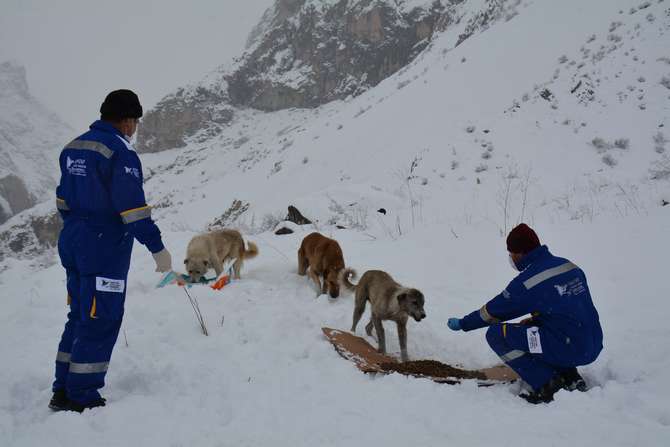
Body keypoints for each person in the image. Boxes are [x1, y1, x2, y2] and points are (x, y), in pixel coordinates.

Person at [49, 90, 173, 412]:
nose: (134, 128)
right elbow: (132, 210)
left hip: (73, 241)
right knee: (100, 318)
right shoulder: (119, 152)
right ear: (127, 120)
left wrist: (80, 227)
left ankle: (62, 388)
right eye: (135, 121)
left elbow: (62, 200)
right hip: (103, 249)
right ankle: (82, 396)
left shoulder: (73, 147)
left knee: (78, 315)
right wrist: (158, 249)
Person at [447, 224, 603, 403]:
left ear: (520, 253)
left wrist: (464, 323)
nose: (511, 258)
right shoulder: (568, 266)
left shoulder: (528, 282)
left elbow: (493, 311)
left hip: (569, 347)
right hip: (591, 343)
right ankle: (569, 375)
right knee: (532, 326)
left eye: (511, 253)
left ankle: (547, 383)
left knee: (497, 334)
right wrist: (537, 320)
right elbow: (568, 308)